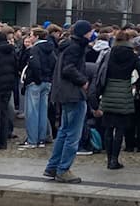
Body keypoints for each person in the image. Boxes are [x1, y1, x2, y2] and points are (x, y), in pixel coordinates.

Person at [44, 20, 93, 184]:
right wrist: (83, 81)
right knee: (73, 134)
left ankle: (53, 166)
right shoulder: (76, 47)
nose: (91, 34)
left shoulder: (67, 45)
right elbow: (68, 68)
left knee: (64, 131)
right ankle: (63, 169)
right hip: (73, 93)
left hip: (63, 93)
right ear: (84, 33)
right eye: (89, 31)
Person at [91, 29, 140, 170]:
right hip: (124, 93)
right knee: (120, 130)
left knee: (108, 128)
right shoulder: (132, 56)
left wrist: (97, 95)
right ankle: (115, 159)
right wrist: (136, 85)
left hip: (109, 92)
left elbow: (100, 74)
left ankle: (109, 159)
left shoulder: (109, 54)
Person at [20, 28, 56, 150]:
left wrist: (37, 78)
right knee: (42, 112)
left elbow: (34, 64)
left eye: (31, 35)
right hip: (47, 82)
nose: (29, 38)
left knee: (32, 112)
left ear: (36, 36)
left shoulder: (35, 49)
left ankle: (32, 140)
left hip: (35, 82)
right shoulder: (51, 49)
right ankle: (41, 139)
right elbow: (54, 64)